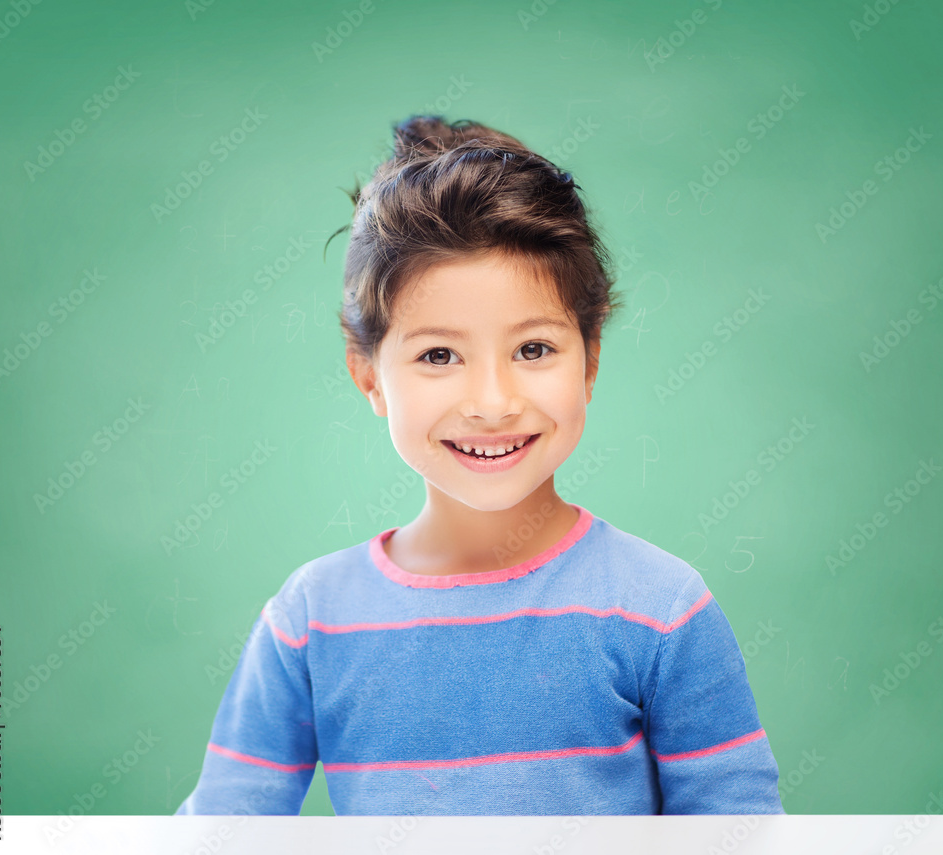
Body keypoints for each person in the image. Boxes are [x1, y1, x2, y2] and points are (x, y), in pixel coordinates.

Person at [175, 115, 784, 816]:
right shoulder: (313, 619)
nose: (492, 403)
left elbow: (738, 827)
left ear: (590, 360)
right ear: (369, 377)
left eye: (533, 349)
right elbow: (224, 827)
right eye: (439, 355)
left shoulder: (661, 608)